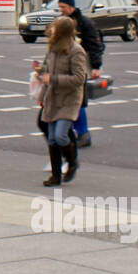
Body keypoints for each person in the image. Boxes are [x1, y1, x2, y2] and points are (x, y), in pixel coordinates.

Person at [37, 15, 88, 186]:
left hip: (68, 99)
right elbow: (47, 74)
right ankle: (55, 175)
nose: (51, 29)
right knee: (52, 138)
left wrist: (54, 79)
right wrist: (42, 93)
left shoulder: (76, 51)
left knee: (60, 136)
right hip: (52, 97)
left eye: (55, 27)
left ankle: (72, 161)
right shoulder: (53, 49)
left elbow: (79, 78)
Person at [56, 0, 103, 148]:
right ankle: (73, 131)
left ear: (71, 6)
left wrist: (96, 66)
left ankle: (83, 133)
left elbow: (94, 45)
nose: (61, 9)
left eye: (63, 7)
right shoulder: (62, 21)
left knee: (78, 101)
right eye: (60, 7)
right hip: (63, 66)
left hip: (79, 66)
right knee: (69, 100)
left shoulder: (84, 23)